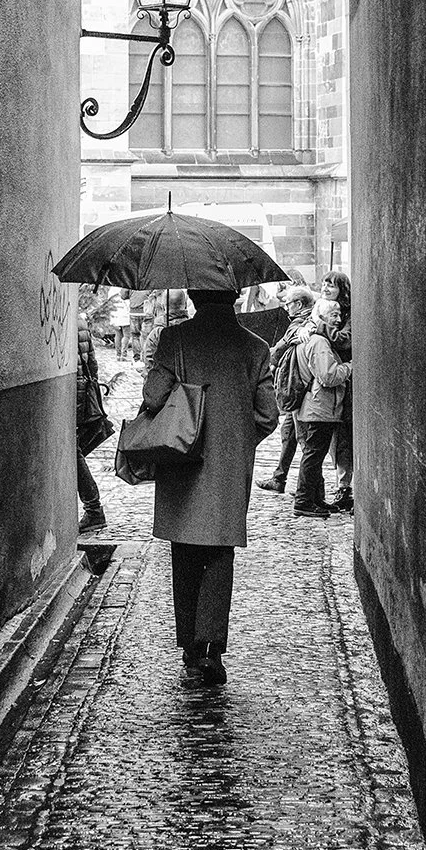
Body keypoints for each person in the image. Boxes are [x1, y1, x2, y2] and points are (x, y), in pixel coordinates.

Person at [142, 289, 278, 684]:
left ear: (193, 296)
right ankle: (211, 650)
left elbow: (152, 398)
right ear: (235, 298)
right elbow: (268, 414)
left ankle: (189, 647)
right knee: (220, 553)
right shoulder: (255, 348)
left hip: (183, 461)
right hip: (229, 468)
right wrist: (236, 439)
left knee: (184, 552)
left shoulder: (175, 339)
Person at [292, 298, 353, 518]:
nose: (338, 319)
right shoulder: (319, 342)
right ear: (321, 317)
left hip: (317, 408)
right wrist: (349, 366)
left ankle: (315, 499)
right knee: (313, 456)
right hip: (319, 409)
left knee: (314, 456)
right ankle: (304, 501)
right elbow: (328, 376)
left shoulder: (314, 338)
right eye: (333, 315)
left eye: (338, 314)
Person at [255, 285, 315, 494]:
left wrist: (268, 358)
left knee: (305, 441)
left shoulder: (302, 323)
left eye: (288, 303)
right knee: (288, 433)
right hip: (295, 389)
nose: (286, 307)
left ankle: (311, 491)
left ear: (298, 305)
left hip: (299, 388)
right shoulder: (302, 322)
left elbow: (284, 343)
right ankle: (279, 478)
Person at [318, 270, 354, 510]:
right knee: (336, 440)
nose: (325, 287)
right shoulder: (323, 309)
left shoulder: (349, 315)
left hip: (347, 383)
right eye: (323, 283)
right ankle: (342, 485)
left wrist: (321, 326)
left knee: (345, 439)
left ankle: (346, 487)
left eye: (331, 284)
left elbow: (345, 340)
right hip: (333, 385)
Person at [76, 312, 108, 533]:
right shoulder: (80, 320)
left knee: (71, 452)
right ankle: (92, 509)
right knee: (73, 451)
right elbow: (93, 364)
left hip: (71, 393)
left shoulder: (70, 319)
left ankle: (94, 509)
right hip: (81, 392)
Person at [143, 289, 189, 369]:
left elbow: (148, 361)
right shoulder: (195, 329)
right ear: (185, 304)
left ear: (163, 306)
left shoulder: (157, 333)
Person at [110, 286, 133, 359]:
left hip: (115, 315)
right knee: (126, 335)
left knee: (118, 335)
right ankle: (124, 354)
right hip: (125, 315)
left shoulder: (112, 289)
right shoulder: (126, 288)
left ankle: (118, 354)